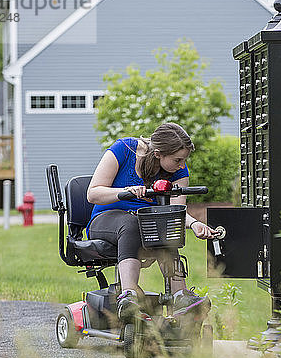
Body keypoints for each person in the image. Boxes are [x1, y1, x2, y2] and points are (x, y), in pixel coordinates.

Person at [86, 122, 216, 320]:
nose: (182, 165)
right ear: (158, 154)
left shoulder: (179, 172)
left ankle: (180, 295)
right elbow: (93, 194)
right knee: (131, 223)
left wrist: (193, 224)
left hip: (148, 225)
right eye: (177, 160)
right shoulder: (123, 150)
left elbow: (176, 211)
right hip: (106, 219)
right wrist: (125, 192)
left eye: (184, 160)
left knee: (168, 225)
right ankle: (128, 296)